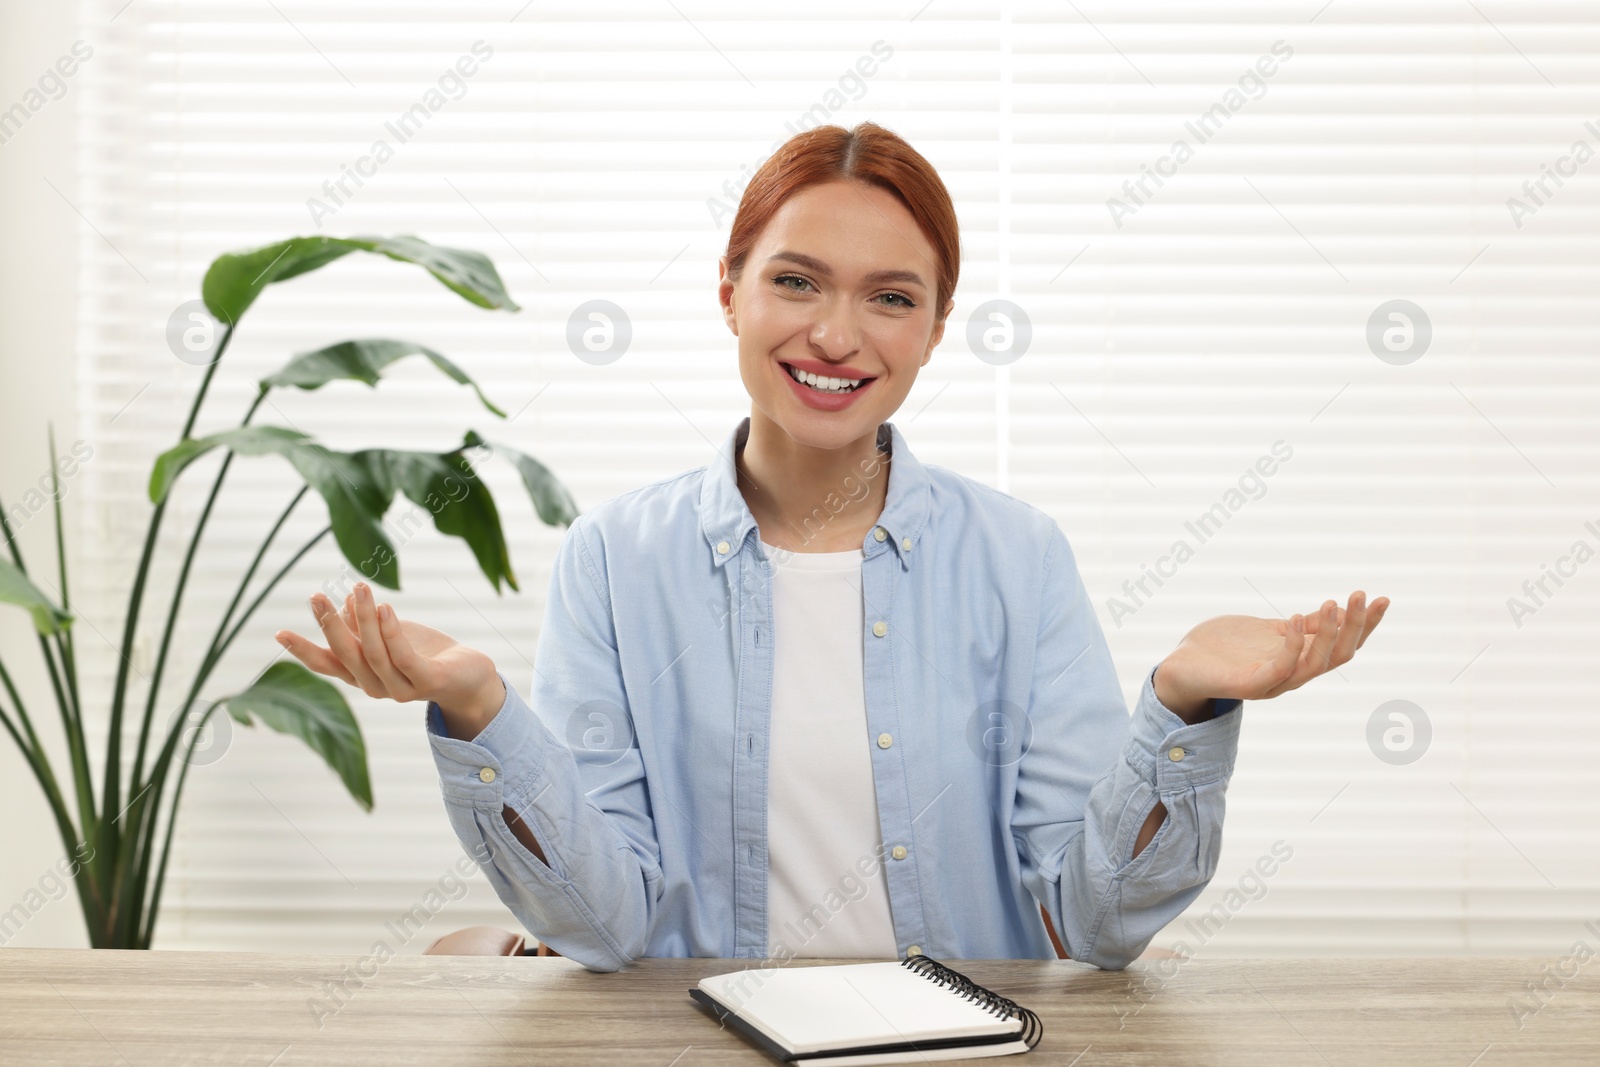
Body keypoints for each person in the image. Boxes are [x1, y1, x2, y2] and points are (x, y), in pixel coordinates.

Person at [274, 121, 1389, 973]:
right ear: (730, 292)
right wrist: (477, 705)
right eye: (796, 280)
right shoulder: (614, 557)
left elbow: (1094, 923)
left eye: (889, 297)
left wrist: (1180, 704)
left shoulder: (1018, 557)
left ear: (935, 329)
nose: (837, 335)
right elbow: (604, 927)